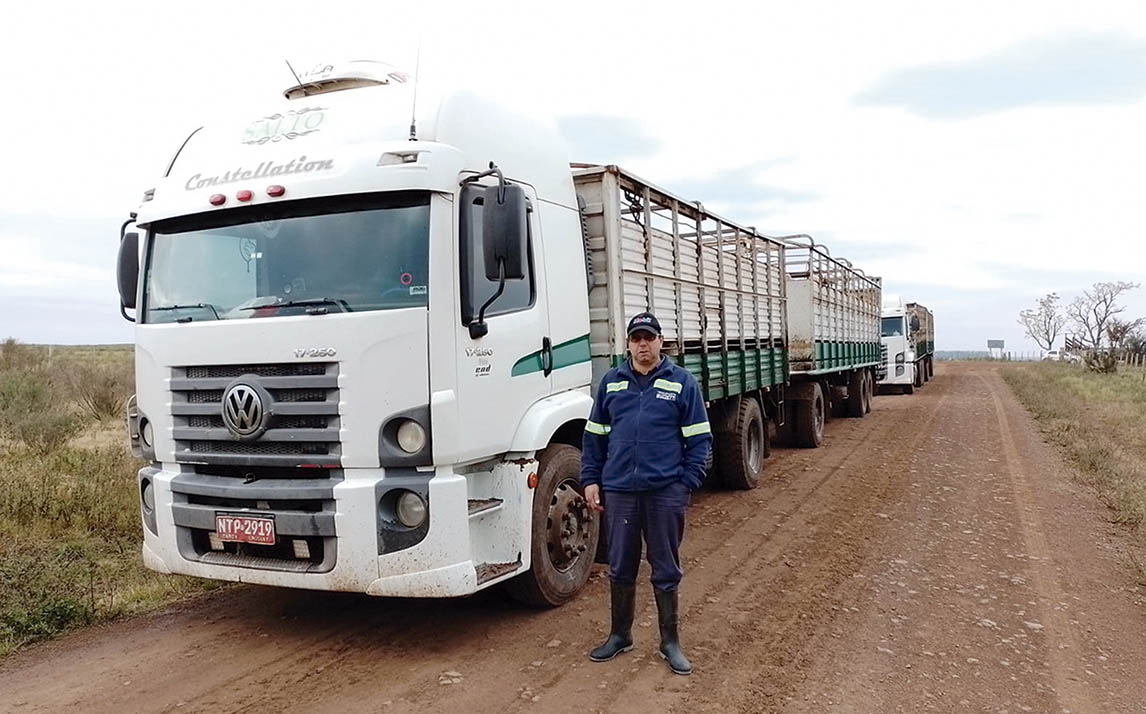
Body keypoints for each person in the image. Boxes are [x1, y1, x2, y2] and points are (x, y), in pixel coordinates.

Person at [581, 311, 713, 675]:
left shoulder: (682, 383)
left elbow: (700, 440)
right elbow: (593, 439)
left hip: (663, 493)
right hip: (620, 491)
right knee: (621, 565)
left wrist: (685, 483)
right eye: (636, 338)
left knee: (665, 568)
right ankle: (620, 636)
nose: (642, 345)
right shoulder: (611, 383)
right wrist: (591, 479)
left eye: (648, 338)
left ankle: (670, 643)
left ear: (660, 342)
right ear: (628, 344)